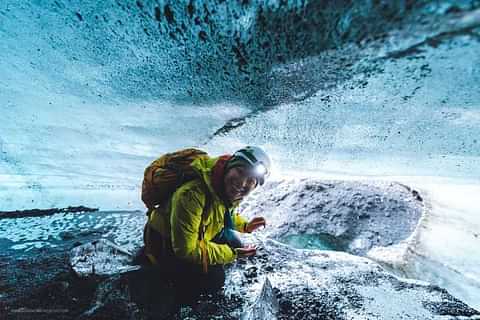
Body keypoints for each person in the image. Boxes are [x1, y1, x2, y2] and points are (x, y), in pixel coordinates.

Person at [142, 146, 271, 305]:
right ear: (229, 167)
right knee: (215, 278)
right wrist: (232, 254)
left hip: (189, 236)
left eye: (251, 180)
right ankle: (180, 297)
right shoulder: (192, 194)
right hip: (164, 245)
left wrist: (246, 226)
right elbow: (185, 250)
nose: (242, 183)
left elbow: (222, 214)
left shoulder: (220, 187)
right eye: (240, 171)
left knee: (234, 242)